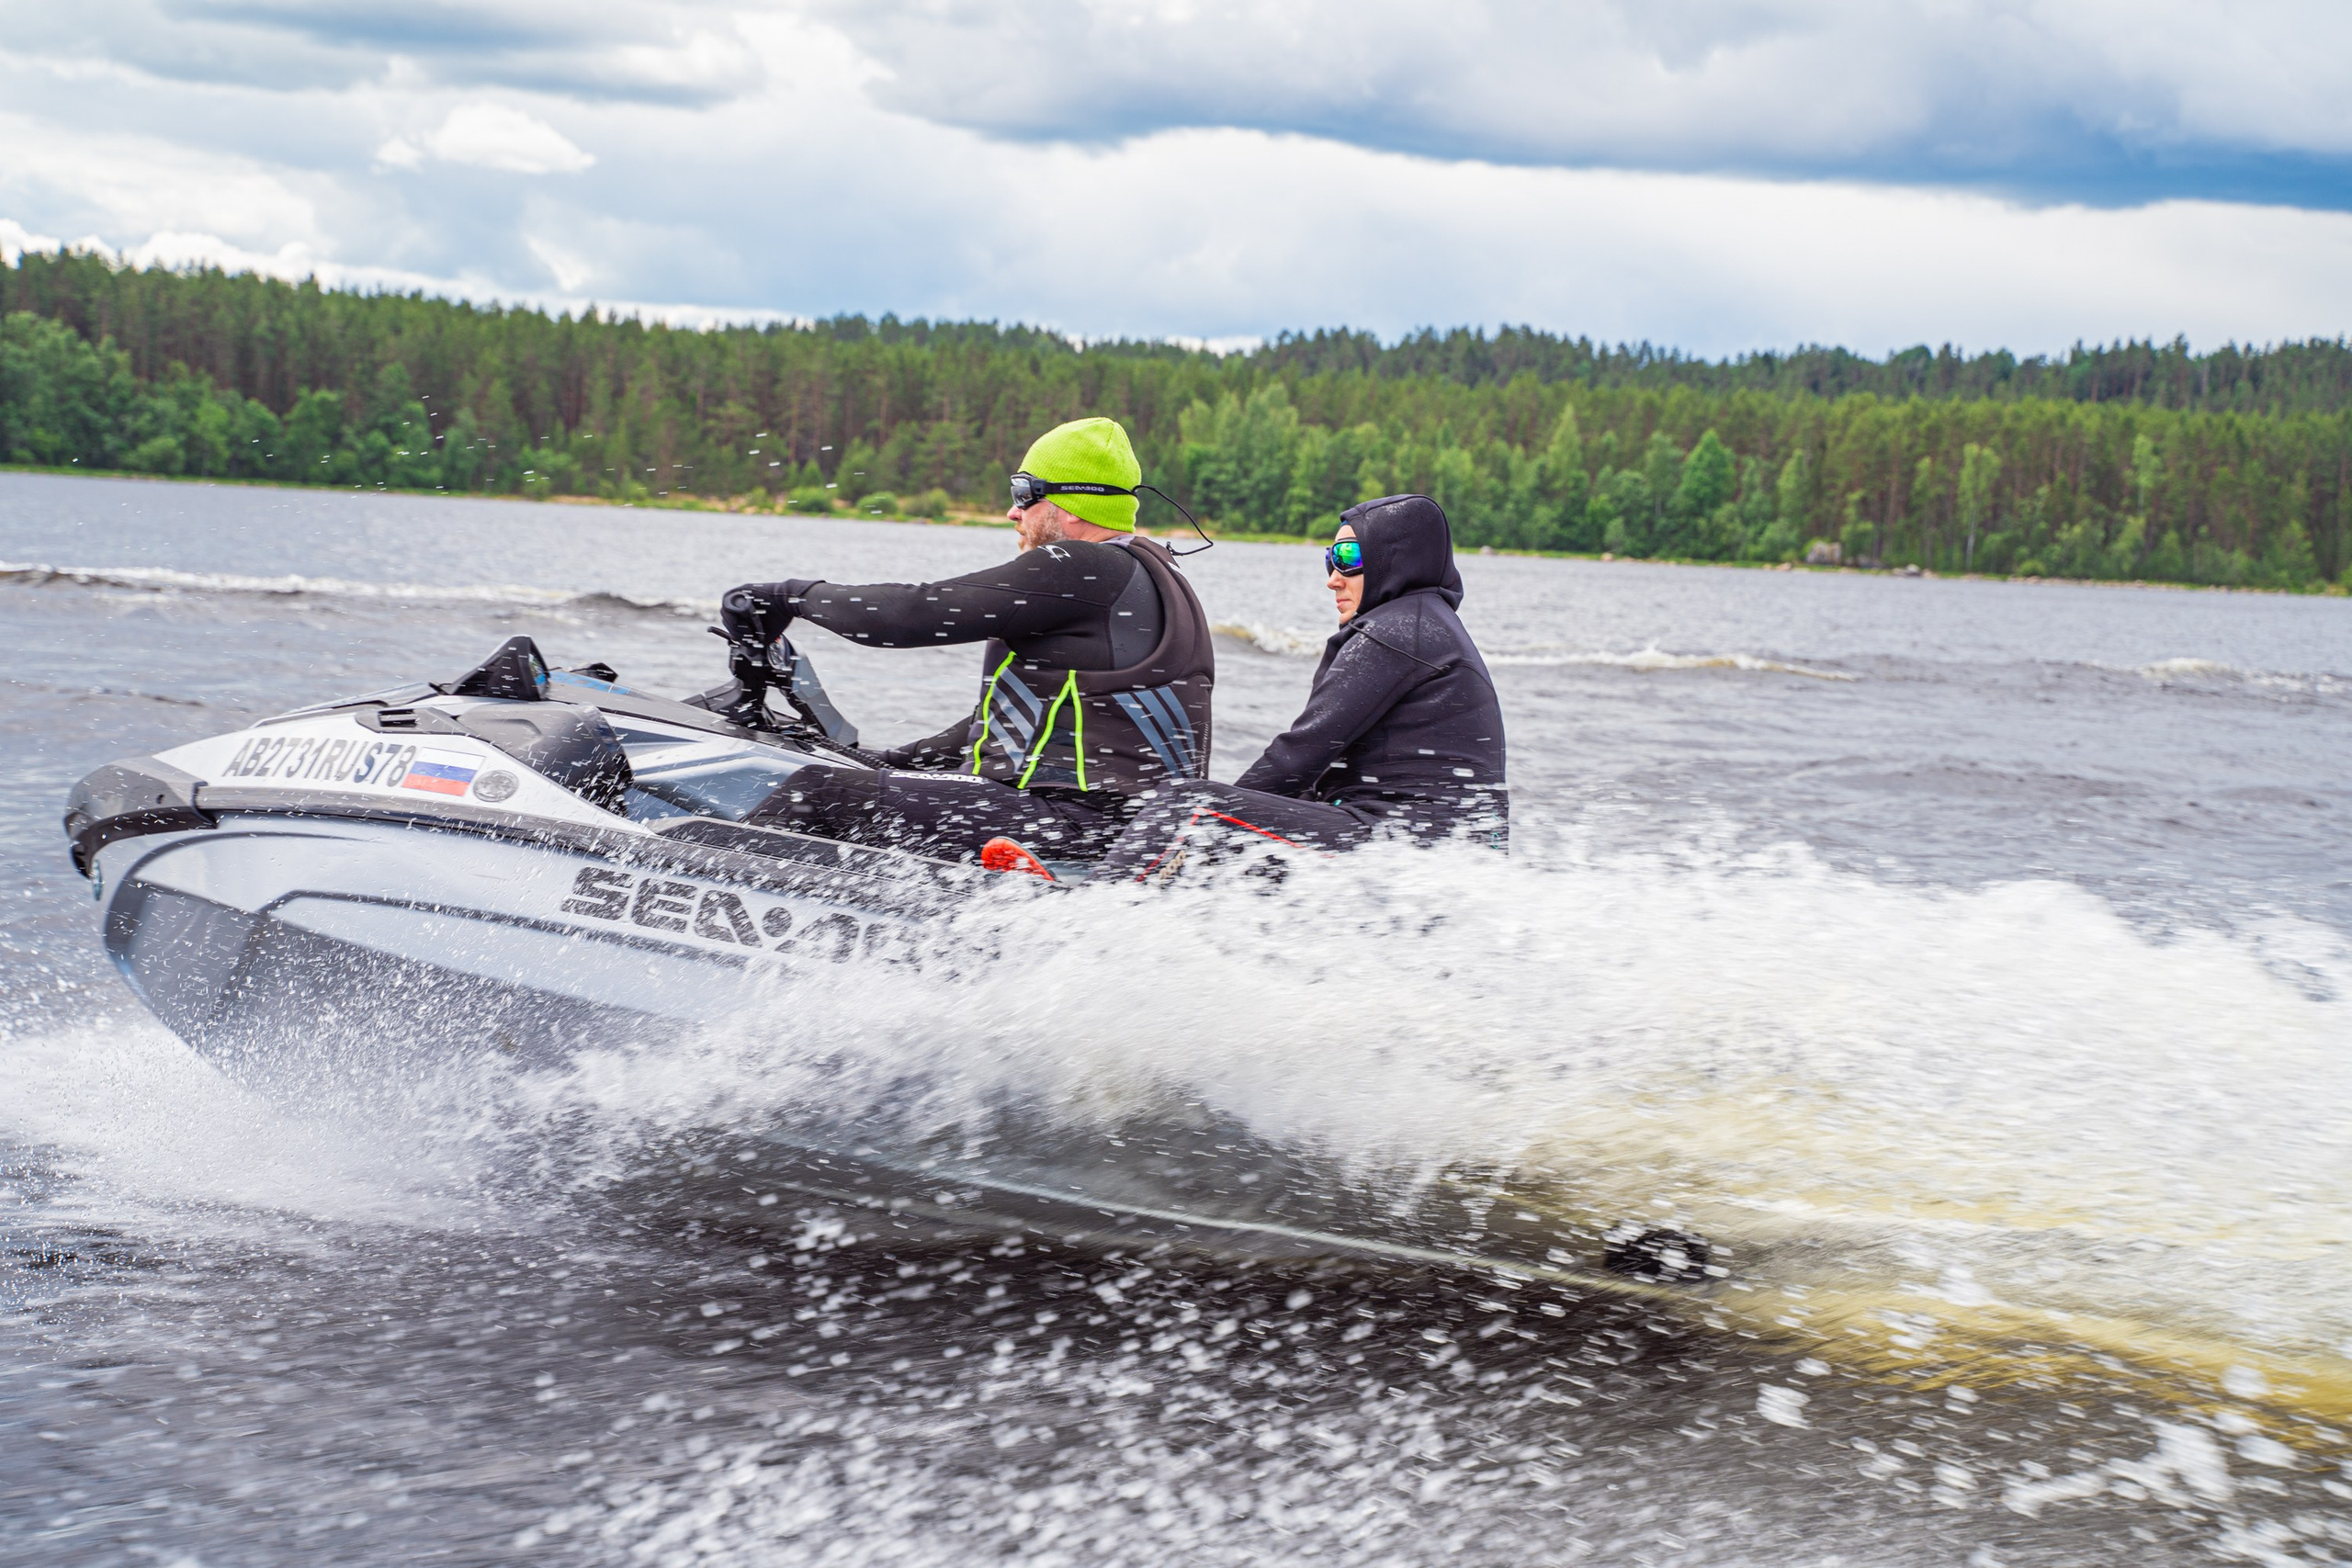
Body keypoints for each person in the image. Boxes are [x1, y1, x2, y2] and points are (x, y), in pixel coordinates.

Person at [716, 416, 1216, 864]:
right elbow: (1014, 725)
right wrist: (879, 759)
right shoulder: (1153, 579)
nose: (1011, 512)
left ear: (1071, 505)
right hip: (1115, 832)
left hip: (1066, 823)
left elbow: (916, 613)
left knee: (817, 795)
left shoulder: (1088, 568)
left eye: (1025, 492)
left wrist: (788, 597)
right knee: (850, 782)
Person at [1080, 492, 1506, 882]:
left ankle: (1090, 913)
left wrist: (1206, 816)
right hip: (1435, 852)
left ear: (1397, 560)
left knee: (1186, 807)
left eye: (1349, 557)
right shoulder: (1426, 626)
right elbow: (1316, 772)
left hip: (1400, 847)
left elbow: (1297, 756)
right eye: (1330, 559)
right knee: (1240, 854)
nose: (1333, 578)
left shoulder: (1396, 631)